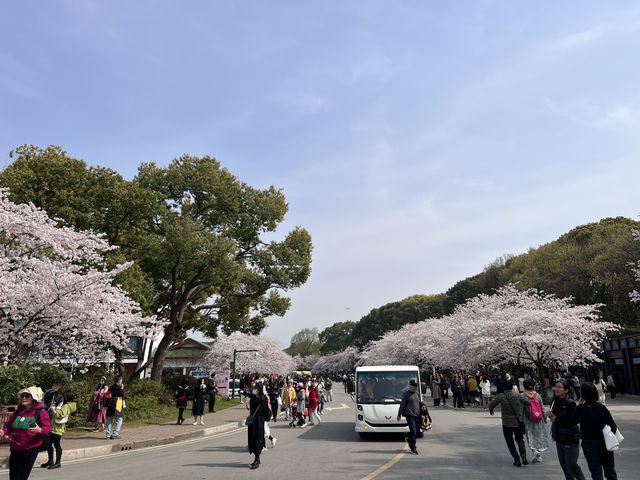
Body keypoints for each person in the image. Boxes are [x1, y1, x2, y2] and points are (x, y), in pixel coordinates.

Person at [0, 386, 51, 480]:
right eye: (22, 396)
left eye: (27, 396)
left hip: (29, 450)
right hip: (15, 450)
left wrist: (39, 430)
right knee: (13, 477)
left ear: (34, 398)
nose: (24, 398)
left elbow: (48, 428)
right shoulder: (18, 411)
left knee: (21, 478)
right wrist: (3, 431)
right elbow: (9, 427)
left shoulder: (41, 412)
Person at [576, 383, 618, 480]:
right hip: (604, 442)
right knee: (610, 470)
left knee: (596, 471)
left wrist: (578, 406)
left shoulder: (581, 409)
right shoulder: (602, 408)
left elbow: (573, 420)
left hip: (589, 443)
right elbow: (613, 427)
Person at [547, 379, 586, 480]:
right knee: (564, 466)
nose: (557, 389)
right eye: (556, 387)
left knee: (571, 465)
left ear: (566, 390)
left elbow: (572, 421)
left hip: (570, 437)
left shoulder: (570, 403)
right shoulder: (553, 402)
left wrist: (556, 418)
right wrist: (551, 416)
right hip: (559, 437)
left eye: (560, 387)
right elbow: (555, 419)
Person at [488, 379, 531, 467]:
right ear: (512, 387)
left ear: (503, 388)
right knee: (520, 440)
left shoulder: (501, 396)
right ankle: (523, 456)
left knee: (510, 441)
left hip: (507, 423)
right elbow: (528, 402)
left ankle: (516, 459)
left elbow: (491, 404)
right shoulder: (517, 395)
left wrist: (491, 410)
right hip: (518, 421)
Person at [41, 390, 76, 470]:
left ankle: (57, 462)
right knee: (49, 444)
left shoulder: (66, 406)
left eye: (63, 397)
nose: (61, 398)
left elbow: (60, 415)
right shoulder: (64, 404)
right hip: (54, 427)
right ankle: (50, 461)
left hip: (57, 428)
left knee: (56, 445)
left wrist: (53, 410)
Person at [521, 379, 550, 463]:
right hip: (539, 418)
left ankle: (534, 451)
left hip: (528, 419)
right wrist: (544, 418)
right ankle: (539, 454)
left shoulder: (522, 396)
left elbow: (521, 409)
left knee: (530, 436)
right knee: (538, 435)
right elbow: (542, 407)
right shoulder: (537, 395)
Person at [246, 382, 271, 469]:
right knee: (252, 438)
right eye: (254, 388)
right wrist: (243, 393)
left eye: (256, 388)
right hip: (253, 421)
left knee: (258, 439)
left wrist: (265, 419)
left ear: (259, 389)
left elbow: (266, 410)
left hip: (259, 421)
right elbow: (249, 395)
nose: (254, 389)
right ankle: (257, 458)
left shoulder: (262, 398)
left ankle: (256, 459)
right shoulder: (253, 397)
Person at [397, 379, 420, 455]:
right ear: (410, 386)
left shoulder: (417, 393)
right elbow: (402, 405)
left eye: (416, 386)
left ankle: (409, 439)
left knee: (416, 432)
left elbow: (419, 404)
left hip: (417, 415)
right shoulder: (406, 394)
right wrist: (399, 414)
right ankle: (413, 448)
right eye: (414, 386)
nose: (415, 388)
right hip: (409, 415)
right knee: (413, 431)